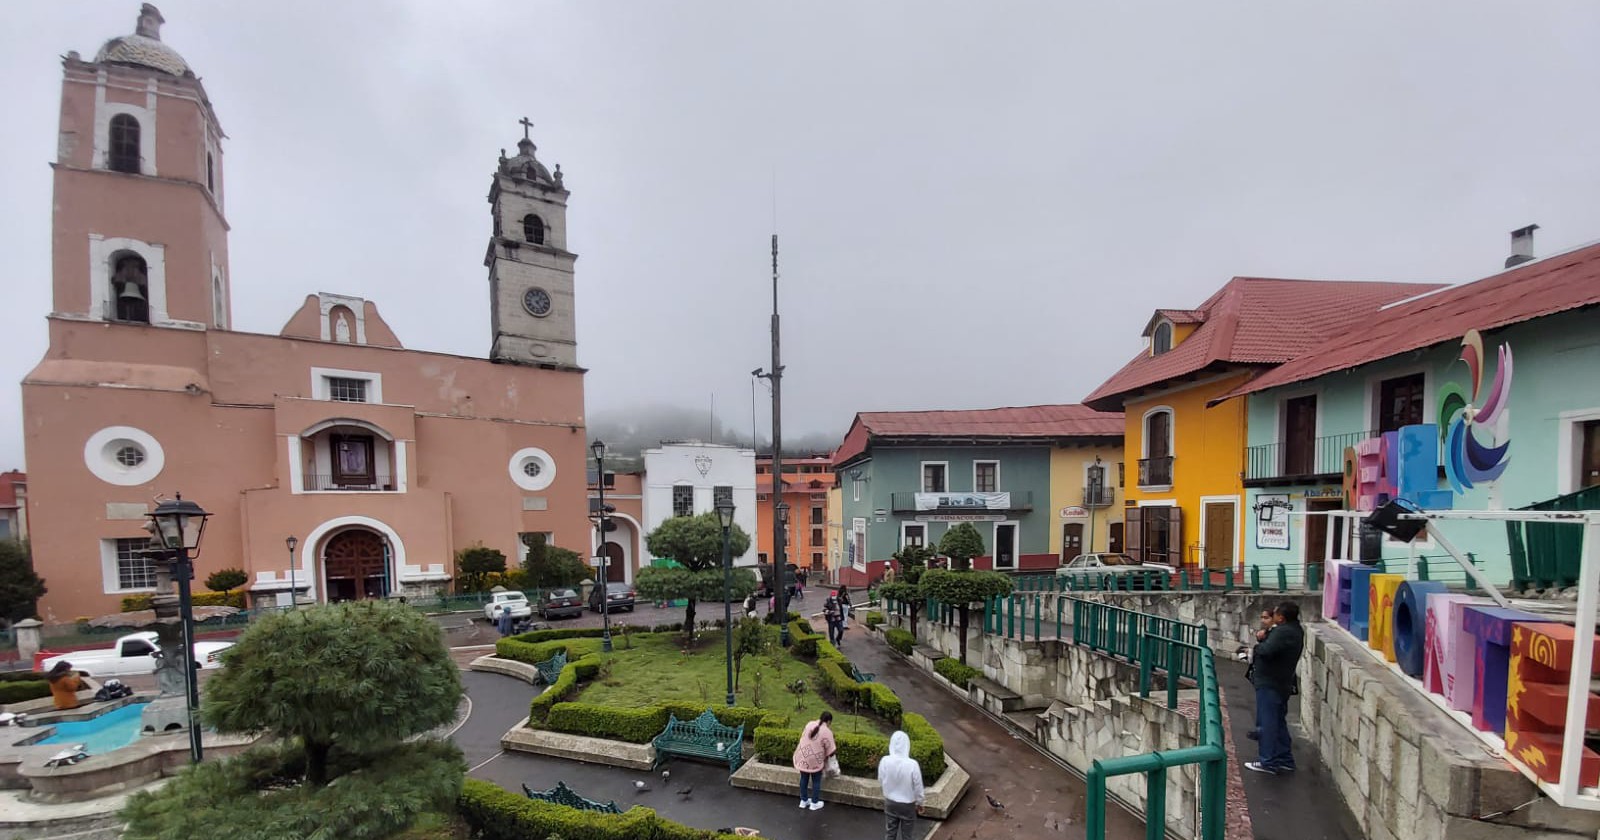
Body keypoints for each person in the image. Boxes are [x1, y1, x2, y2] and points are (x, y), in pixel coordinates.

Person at [1245, 601, 1305, 775]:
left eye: (1276, 614)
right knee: (1278, 722)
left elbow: (1266, 651)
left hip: (1271, 682)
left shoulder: (1283, 632)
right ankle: (1284, 759)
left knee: (1268, 722)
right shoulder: (1295, 630)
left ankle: (1268, 761)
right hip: (1282, 682)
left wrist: (1256, 648)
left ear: (1281, 617)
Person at [877, 730, 925, 840]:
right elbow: (918, 786)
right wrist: (920, 802)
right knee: (907, 835)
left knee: (890, 833)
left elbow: (881, 779)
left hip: (890, 803)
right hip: (908, 805)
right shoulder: (913, 764)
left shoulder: (885, 761)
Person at [791, 711, 836, 811]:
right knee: (816, 780)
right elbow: (831, 750)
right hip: (815, 760)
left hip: (803, 756)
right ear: (828, 721)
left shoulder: (809, 724)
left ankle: (803, 801)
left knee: (804, 778)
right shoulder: (827, 732)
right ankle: (814, 803)